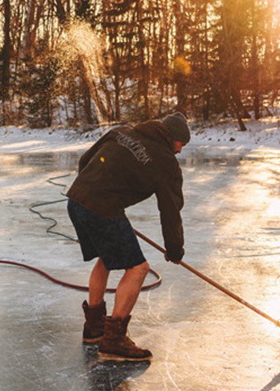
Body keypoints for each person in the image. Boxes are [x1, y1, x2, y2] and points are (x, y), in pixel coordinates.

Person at [66, 113, 190, 361]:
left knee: (106, 257)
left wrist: (92, 191)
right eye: (181, 144)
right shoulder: (165, 161)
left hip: (77, 200)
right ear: (173, 139)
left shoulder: (122, 131)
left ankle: (94, 328)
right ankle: (113, 340)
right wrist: (174, 249)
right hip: (101, 207)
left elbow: (85, 160)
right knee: (138, 268)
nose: (179, 151)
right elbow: (170, 209)